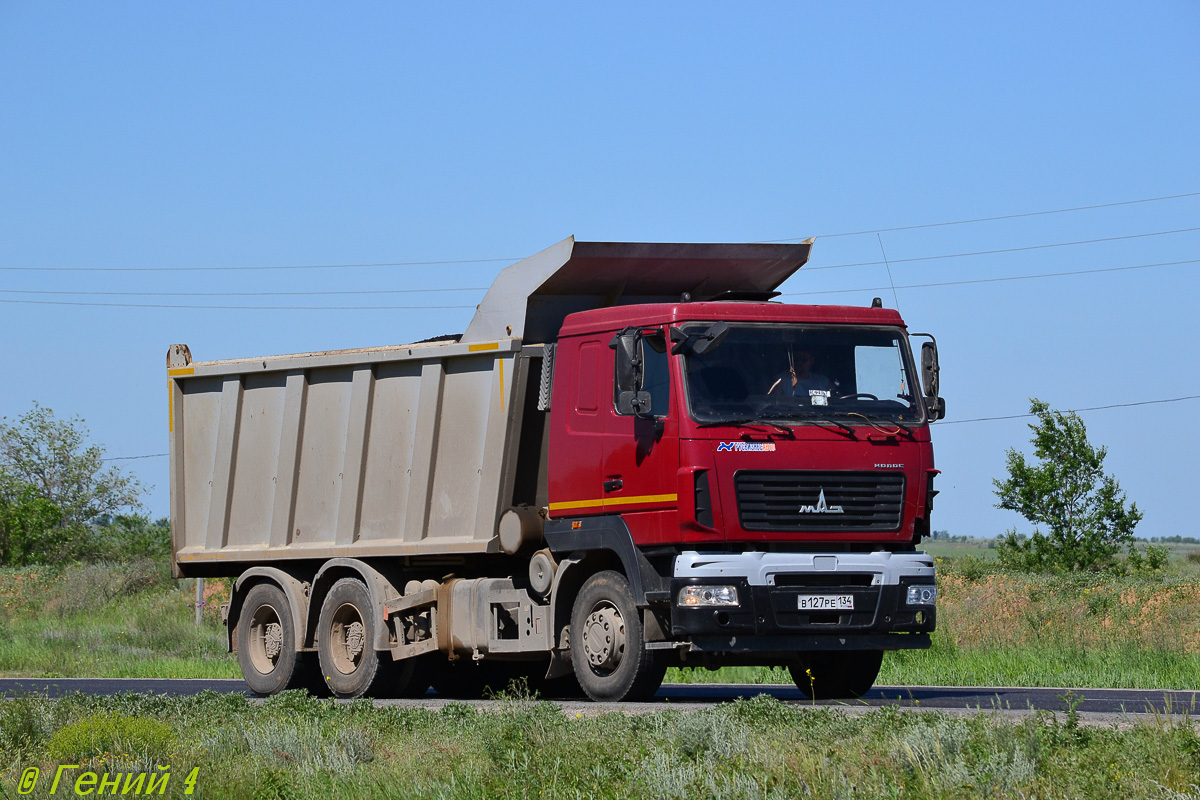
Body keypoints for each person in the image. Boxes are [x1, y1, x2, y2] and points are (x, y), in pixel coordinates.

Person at [767, 347, 834, 405]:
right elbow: (771, 403)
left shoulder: (822, 381)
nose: (799, 363)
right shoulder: (782, 380)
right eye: (796, 360)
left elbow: (838, 401)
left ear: (811, 361)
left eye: (804, 360)